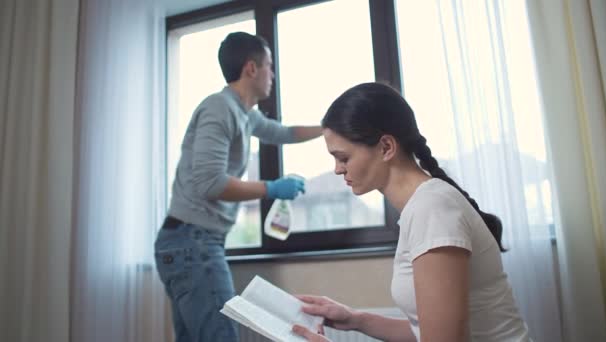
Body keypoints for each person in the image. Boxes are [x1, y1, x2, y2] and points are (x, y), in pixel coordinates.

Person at [291, 82, 531, 342]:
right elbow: (427, 332)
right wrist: (356, 319)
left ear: (386, 147)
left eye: (344, 158)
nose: (338, 169)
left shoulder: (432, 209)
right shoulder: (422, 207)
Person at [154, 32, 322, 342]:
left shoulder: (245, 114)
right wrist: (271, 188)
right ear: (251, 69)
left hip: (186, 243)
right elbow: (210, 183)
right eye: (269, 66)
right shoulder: (220, 108)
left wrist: (329, 128)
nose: (273, 74)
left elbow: (284, 132)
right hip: (193, 242)